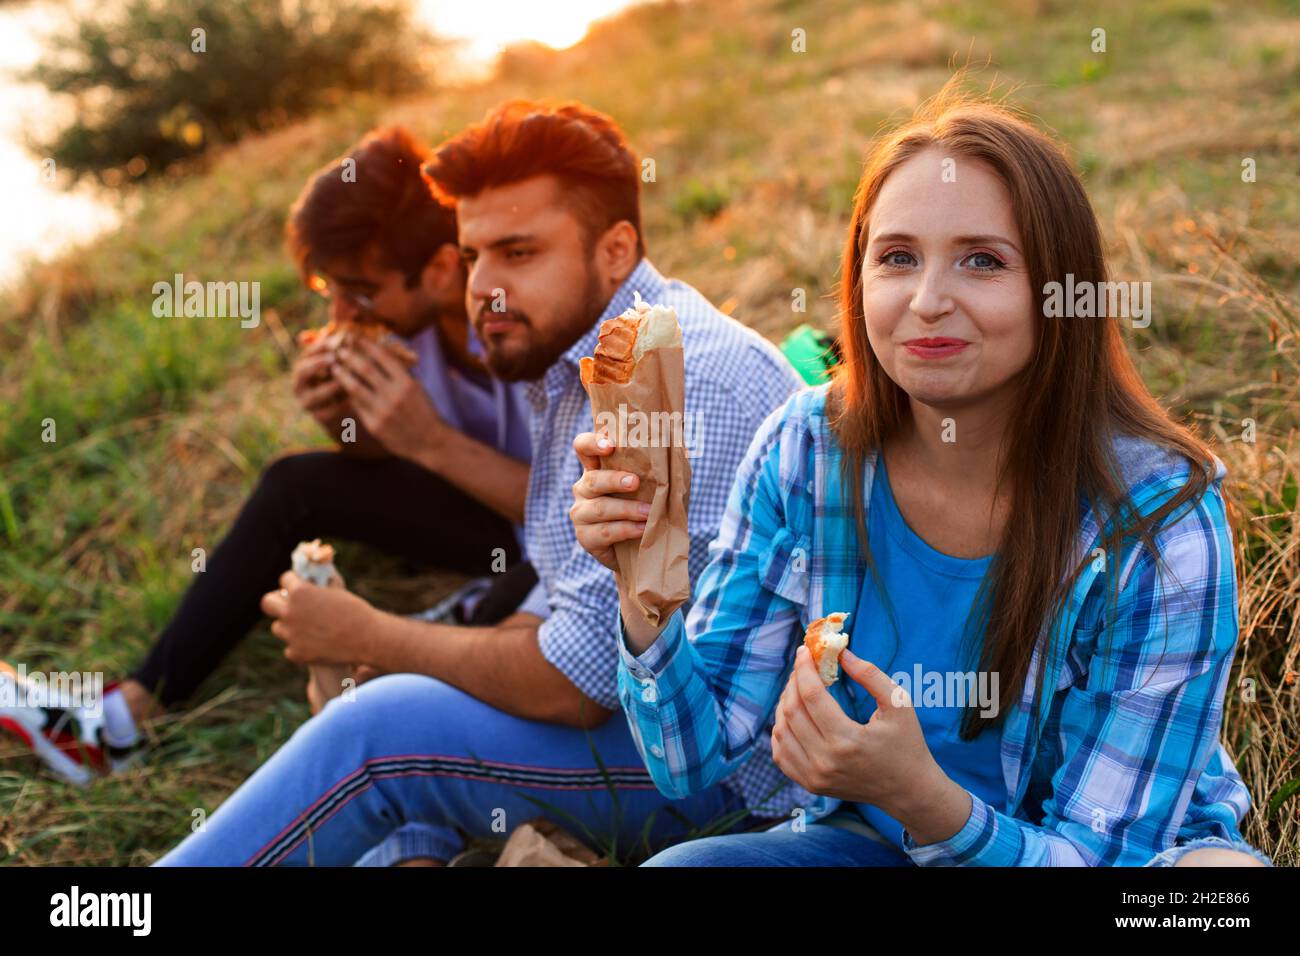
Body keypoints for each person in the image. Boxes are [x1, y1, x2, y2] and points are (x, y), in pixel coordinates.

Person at [569, 84, 1274, 867]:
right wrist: (643, 580)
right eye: (898, 258)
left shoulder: (1158, 516)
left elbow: (1101, 854)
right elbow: (690, 760)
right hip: (874, 844)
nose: (928, 301)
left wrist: (923, 799)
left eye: (982, 261)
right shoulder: (807, 448)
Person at [154, 100, 805, 866]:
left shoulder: (673, 382)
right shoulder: (585, 357)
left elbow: (575, 685)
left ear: (616, 249)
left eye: (519, 253)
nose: (483, 290)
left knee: (378, 733)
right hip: (666, 725)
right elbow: (565, 604)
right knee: (415, 700)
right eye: (473, 257)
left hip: (735, 782)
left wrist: (375, 637)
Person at [0, 126, 534, 785]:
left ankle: (450, 642)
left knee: (536, 562)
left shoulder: (524, 321)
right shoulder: (408, 323)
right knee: (294, 483)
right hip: (484, 512)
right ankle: (123, 722)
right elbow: (391, 458)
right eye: (329, 288)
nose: (342, 310)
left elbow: (571, 511)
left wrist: (429, 440)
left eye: (359, 291)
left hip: (549, 530)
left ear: (442, 268)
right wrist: (345, 422)